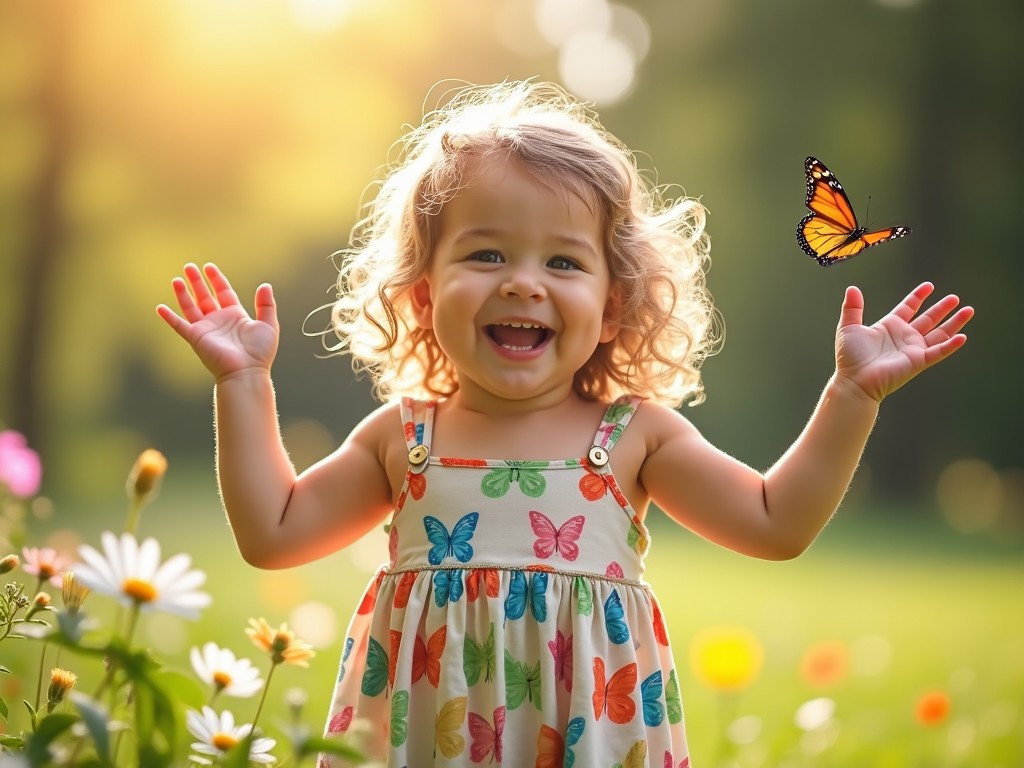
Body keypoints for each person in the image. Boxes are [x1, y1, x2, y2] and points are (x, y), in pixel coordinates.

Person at [157, 81, 974, 766]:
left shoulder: (634, 437)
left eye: (563, 262)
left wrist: (851, 397)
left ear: (614, 306)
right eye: (485, 255)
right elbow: (272, 532)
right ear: (420, 295)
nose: (522, 283)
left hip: (593, 736)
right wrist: (242, 381)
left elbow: (775, 521)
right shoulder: (400, 436)